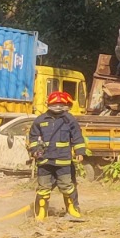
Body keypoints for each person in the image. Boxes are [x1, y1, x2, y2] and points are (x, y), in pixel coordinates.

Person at [28, 90, 86, 222]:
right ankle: (41, 214)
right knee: (43, 188)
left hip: (63, 160)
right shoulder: (40, 120)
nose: (58, 107)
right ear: (48, 104)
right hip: (44, 161)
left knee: (67, 186)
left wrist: (80, 152)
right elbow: (33, 138)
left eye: (61, 104)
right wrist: (35, 151)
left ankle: (72, 210)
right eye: (55, 104)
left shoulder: (69, 119)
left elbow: (77, 136)